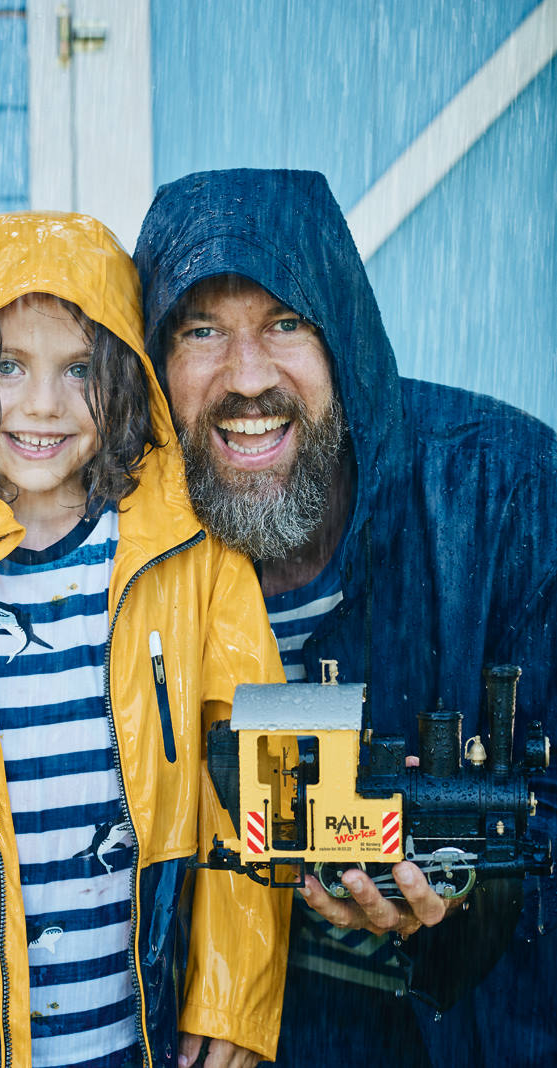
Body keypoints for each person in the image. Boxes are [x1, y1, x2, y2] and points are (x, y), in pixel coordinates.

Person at [0, 211, 291, 1068]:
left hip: (153, 1039)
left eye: (78, 369)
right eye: (6, 365)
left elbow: (255, 770)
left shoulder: (196, 560)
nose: (42, 405)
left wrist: (234, 995)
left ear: (124, 380)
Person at [133, 168, 557, 1067]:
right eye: (202, 330)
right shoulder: (119, 546)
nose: (248, 379)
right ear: (150, 363)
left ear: (346, 341)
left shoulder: (508, 493)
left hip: (470, 1030)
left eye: (286, 323)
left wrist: (467, 899)